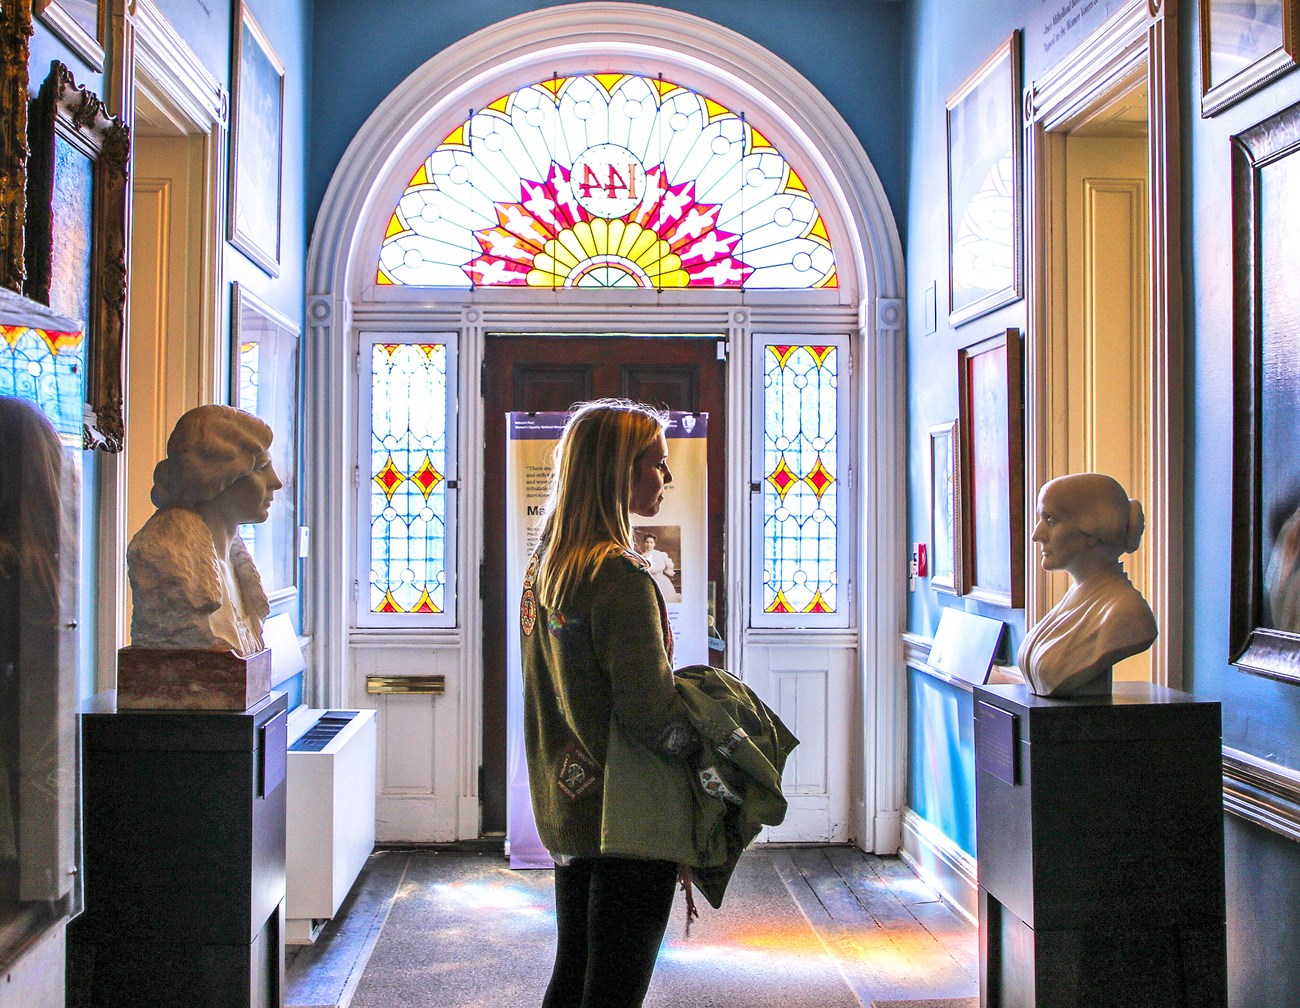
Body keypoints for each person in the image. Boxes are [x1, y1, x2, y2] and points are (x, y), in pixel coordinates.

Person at [520, 399, 698, 1008]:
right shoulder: (619, 575)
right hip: (630, 811)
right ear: (618, 471)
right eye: (656, 465)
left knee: (574, 974)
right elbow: (650, 714)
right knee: (614, 989)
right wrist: (707, 745)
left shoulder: (548, 566)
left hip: (569, 800)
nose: (666, 479)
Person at [127, 404, 282, 656]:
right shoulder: (168, 559)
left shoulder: (234, 563)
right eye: (261, 468)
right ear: (219, 477)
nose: (276, 481)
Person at [1017, 472, 1157, 698]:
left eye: (1051, 520)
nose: (1037, 534)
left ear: (1092, 530)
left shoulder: (1126, 612)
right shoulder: (1075, 598)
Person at [640, 532, 680, 602]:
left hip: (660, 581)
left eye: (651, 542)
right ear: (644, 543)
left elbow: (661, 566)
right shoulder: (642, 556)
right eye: (647, 542)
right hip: (647, 581)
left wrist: (648, 569)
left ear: (654, 544)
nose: (649, 544)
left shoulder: (659, 554)